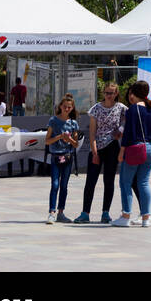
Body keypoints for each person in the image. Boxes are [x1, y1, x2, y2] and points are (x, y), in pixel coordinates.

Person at [75, 82, 126, 224]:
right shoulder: (96, 109)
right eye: (106, 93)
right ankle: (85, 213)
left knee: (109, 181)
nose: (108, 96)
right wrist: (94, 151)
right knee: (90, 181)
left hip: (113, 146)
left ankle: (105, 212)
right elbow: (92, 132)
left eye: (111, 93)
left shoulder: (121, 108)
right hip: (97, 146)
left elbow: (129, 119)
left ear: (116, 93)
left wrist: (120, 130)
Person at [114, 81, 151, 227]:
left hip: (134, 148)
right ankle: (146, 218)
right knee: (143, 183)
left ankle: (125, 216)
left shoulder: (133, 110)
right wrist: (149, 145)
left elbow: (128, 134)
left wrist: (122, 152)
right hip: (149, 149)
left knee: (125, 182)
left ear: (133, 94)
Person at [45, 93, 80, 224]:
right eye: (65, 106)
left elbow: (76, 144)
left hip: (68, 157)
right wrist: (59, 137)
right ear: (60, 106)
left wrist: (69, 139)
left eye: (69, 107)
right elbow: (47, 141)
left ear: (72, 108)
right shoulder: (53, 121)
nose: (67, 109)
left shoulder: (73, 123)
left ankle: (61, 212)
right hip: (55, 156)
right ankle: (52, 212)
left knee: (64, 186)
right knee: (55, 184)